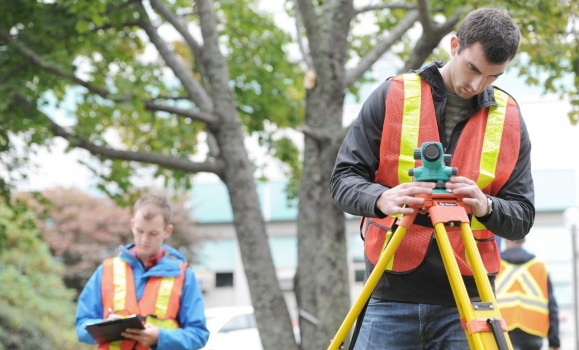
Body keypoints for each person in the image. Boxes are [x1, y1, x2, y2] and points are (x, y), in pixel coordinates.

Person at [330, 8, 535, 349]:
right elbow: (342, 180)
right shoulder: (393, 95)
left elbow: (522, 218)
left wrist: (486, 205)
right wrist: (381, 198)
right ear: (455, 45)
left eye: (491, 77)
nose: (476, 84)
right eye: (472, 68)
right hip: (390, 292)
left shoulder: (509, 118)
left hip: (470, 301)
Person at [75, 194, 209, 349]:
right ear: (132, 225)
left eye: (153, 233)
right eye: (140, 231)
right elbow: (81, 327)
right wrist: (104, 326)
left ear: (167, 231)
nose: (144, 239)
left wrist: (161, 337)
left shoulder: (183, 275)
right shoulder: (106, 270)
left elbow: (199, 335)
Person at [496, 239, 560, 350]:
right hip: (533, 330)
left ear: (505, 240)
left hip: (503, 329)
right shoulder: (539, 267)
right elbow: (552, 305)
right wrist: (554, 341)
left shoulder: (495, 267)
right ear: (524, 240)